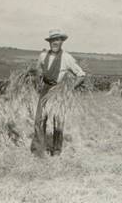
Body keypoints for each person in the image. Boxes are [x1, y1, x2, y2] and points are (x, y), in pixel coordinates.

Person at [30, 29, 86, 157]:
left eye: (57, 40)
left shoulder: (67, 58)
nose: (55, 42)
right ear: (49, 42)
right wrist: (38, 80)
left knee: (58, 122)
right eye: (52, 40)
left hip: (59, 92)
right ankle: (39, 150)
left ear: (61, 42)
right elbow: (38, 69)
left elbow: (81, 75)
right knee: (39, 120)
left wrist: (69, 89)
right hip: (45, 90)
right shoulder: (43, 56)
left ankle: (56, 150)